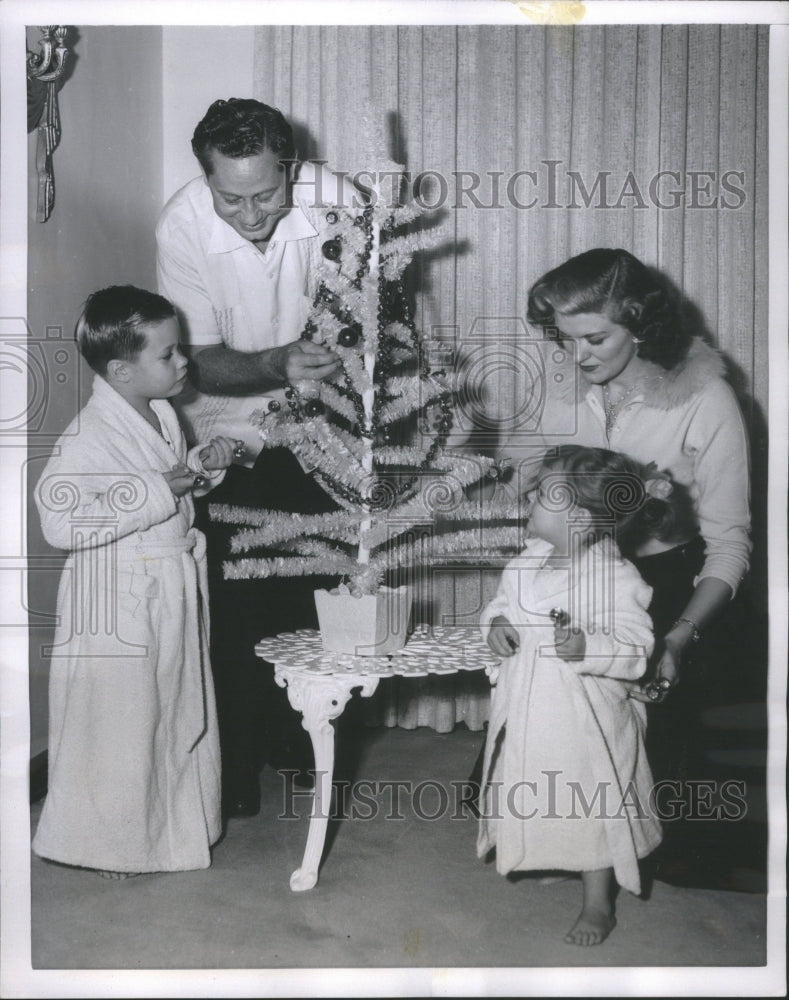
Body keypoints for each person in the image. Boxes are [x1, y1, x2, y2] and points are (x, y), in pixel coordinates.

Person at [511, 248, 752, 875]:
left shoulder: (709, 399)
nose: (575, 356)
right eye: (563, 339)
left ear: (641, 324)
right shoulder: (569, 380)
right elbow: (543, 494)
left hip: (675, 589)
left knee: (672, 831)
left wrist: (677, 639)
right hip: (581, 579)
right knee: (543, 786)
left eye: (594, 338)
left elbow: (730, 546)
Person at [156, 98, 357, 818]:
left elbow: (370, 321)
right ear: (205, 179)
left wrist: (326, 369)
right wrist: (278, 361)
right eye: (228, 196)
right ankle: (231, 779)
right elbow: (200, 361)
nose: (248, 214)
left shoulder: (343, 204)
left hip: (326, 425)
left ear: (293, 170)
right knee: (236, 607)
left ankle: (310, 759)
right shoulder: (181, 225)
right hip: (226, 428)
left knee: (319, 592)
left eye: (265, 195)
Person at [33, 286, 235, 877]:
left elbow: (170, 486)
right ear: (120, 371)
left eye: (180, 350)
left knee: (168, 712)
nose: (183, 364)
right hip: (117, 601)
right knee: (123, 721)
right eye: (168, 354)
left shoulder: (162, 413)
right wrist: (158, 491)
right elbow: (61, 519)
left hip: (164, 583)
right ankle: (108, 843)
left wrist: (202, 469)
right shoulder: (89, 434)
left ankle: (164, 830)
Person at [479, 445, 692, 945]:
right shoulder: (527, 562)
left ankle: (598, 899)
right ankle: (554, 853)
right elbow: (499, 605)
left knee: (592, 805)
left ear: (578, 517)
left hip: (582, 716)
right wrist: (496, 625)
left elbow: (637, 647)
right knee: (539, 791)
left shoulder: (616, 578)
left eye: (541, 495)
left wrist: (588, 646)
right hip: (530, 707)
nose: (528, 498)